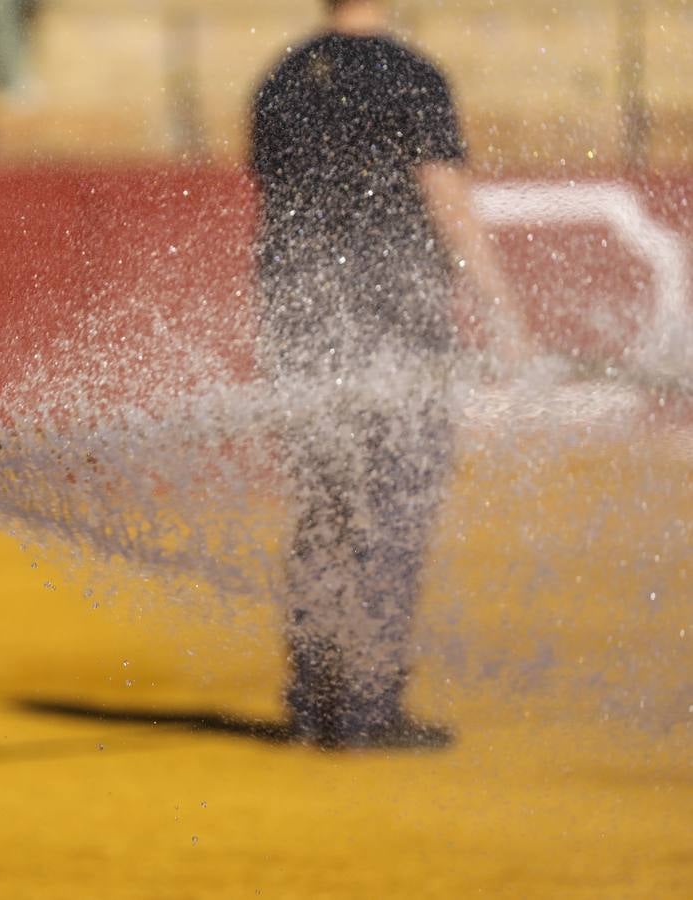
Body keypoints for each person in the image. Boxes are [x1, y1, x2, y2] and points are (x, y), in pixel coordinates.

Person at [247, 0, 527, 749]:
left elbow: (278, 207)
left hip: (297, 321)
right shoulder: (411, 74)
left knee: (325, 508)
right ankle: (368, 704)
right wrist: (503, 316)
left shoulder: (281, 79)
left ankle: (314, 699)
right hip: (393, 325)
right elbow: (447, 204)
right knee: (393, 510)